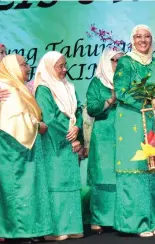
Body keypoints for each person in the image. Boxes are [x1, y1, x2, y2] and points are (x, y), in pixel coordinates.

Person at [113, 24, 155, 238]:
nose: (143, 40)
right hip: (131, 119)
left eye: (147, 36)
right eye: (138, 36)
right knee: (135, 168)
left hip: (152, 121)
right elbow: (121, 92)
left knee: (152, 167)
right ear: (132, 39)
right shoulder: (126, 62)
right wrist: (148, 101)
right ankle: (136, 223)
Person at [0, 54, 51, 243]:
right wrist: (38, 126)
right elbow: (14, 119)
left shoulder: (17, 86)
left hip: (23, 146)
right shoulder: (6, 86)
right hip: (13, 146)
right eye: (23, 65)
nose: (28, 68)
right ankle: (19, 231)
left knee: (28, 188)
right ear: (13, 67)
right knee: (18, 188)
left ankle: (30, 229)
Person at [34, 51, 84, 241]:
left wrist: (77, 126)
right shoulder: (44, 89)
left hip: (69, 140)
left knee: (71, 183)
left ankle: (72, 227)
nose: (65, 69)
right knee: (56, 184)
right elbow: (50, 117)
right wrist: (71, 135)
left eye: (65, 65)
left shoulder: (69, 86)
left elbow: (78, 109)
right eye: (60, 66)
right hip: (54, 143)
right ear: (49, 67)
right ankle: (55, 230)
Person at [86, 48, 124, 233]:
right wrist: (110, 100)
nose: (118, 63)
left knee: (123, 174)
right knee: (103, 176)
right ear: (106, 62)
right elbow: (91, 109)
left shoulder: (128, 81)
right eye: (115, 60)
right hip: (103, 136)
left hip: (125, 134)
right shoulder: (97, 83)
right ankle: (99, 218)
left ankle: (121, 218)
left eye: (121, 60)